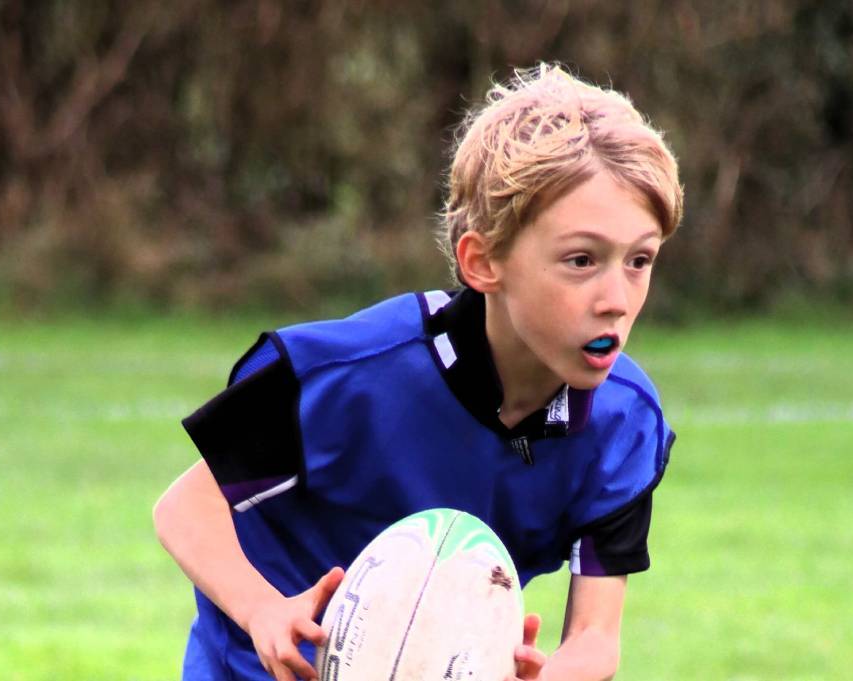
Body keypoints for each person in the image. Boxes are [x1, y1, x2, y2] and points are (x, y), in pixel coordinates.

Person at [154, 62, 683, 681]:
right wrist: (264, 611)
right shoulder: (344, 375)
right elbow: (184, 509)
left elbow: (596, 637)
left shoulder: (624, 424)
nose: (616, 298)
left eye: (639, 260)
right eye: (581, 259)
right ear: (483, 263)